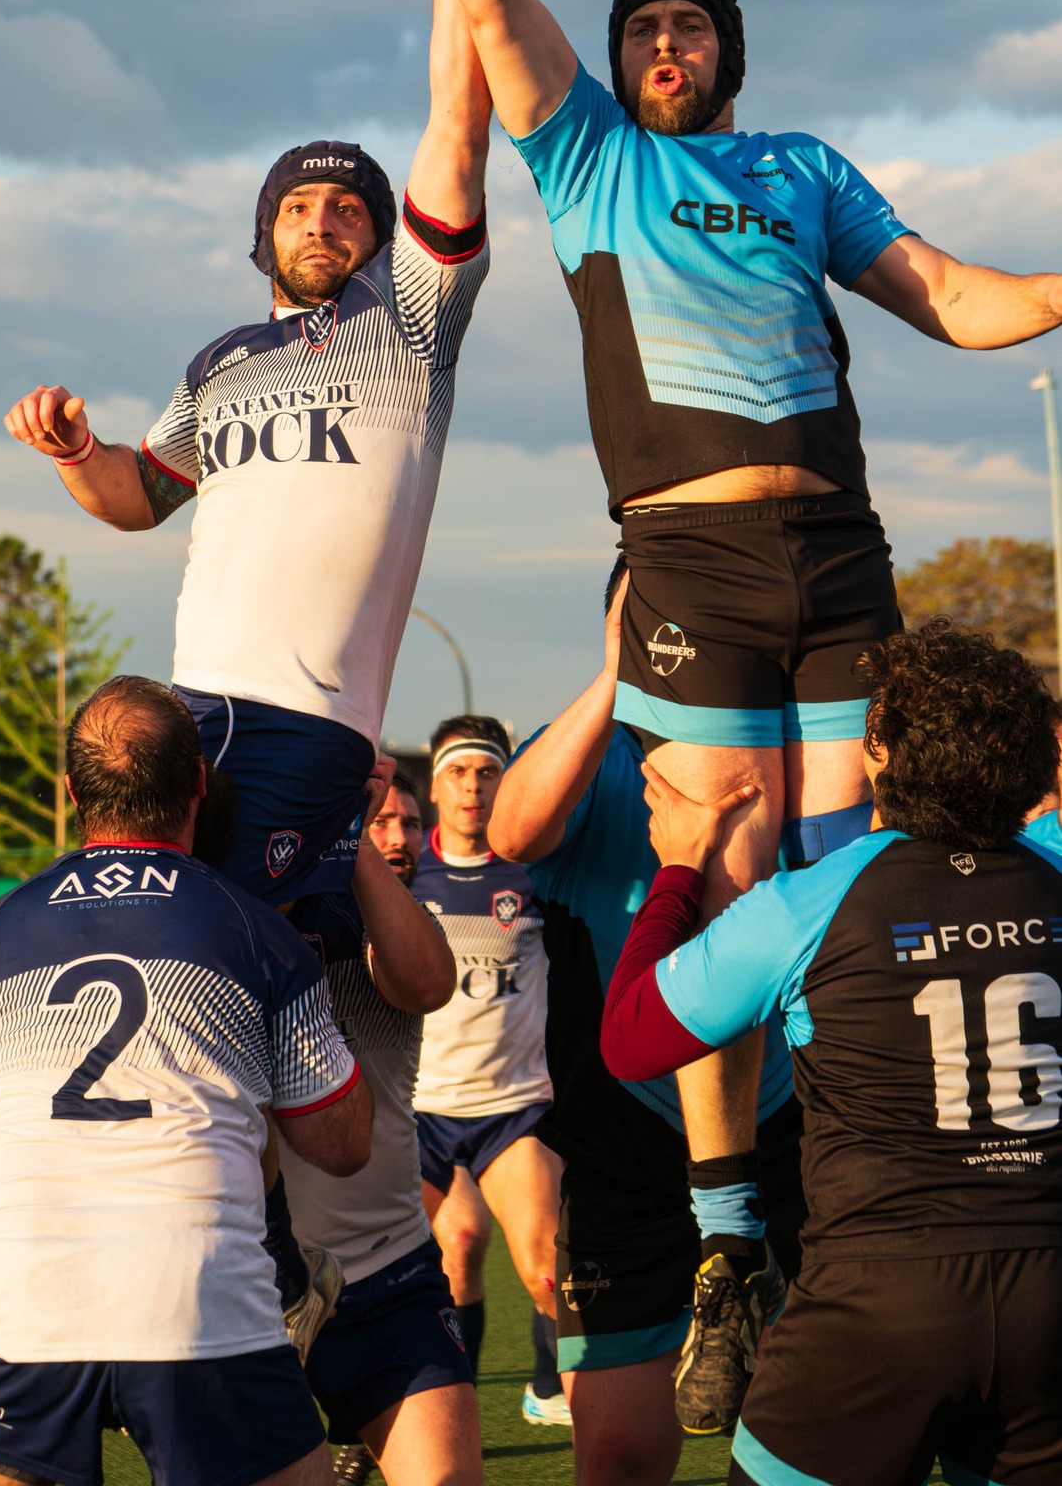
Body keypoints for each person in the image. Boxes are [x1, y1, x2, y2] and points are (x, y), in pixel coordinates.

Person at [410, 0, 1062, 1418]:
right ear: (620, 61)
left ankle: (853, 1193)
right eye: (642, 27)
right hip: (689, 546)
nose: (664, 41)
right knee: (716, 862)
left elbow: (950, 294)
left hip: (838, 545)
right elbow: (492, 12)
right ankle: (720, 1238)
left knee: (857, 866)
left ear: (729, 51)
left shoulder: (802, 173)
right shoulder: (589, 159)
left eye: (688, 21)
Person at [1, 0, 529, 909]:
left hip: (310, 721)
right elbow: (138, 498)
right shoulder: (219, 362)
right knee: (140, 933)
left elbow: (456, 119)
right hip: (185, 713)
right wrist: (73, 451)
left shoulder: (413, 321)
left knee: (226, 951)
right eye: (298, 206)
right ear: (264, 235)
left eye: (347, 209)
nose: (322, 220)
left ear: (385, 239)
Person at [600, 620, 1062, 1486]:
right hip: (1049, 1293)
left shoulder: (811, 899)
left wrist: (677, 870)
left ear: (878, 751)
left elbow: (630, 1039)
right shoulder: (1053, 871)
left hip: (879, 1301)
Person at [0, 676, 373, 1486]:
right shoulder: (256, 932)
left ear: (69, 792)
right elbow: (342, 1145)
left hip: (24, 1308)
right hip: (202, 1311)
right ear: (198, 784)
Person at [489, 574, 803, 1474]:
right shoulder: (595, 749)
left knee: (798, 1444)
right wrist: (610, 675)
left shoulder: (779, 746)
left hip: (775, 1127)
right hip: (625, 1140)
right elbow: (513, 833)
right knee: (620, 1455)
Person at [276, 768, 479, 1486]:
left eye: (405, 821)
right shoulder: (224, 909)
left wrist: (348, 831)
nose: (395, 836)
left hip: (383, 1268)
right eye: (376, 817)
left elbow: (425, 983)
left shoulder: (386, 918)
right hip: (248, 1280)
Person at [410, 716, 565, 1428]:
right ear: (435, 787)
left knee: (545, 1264)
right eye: (457, 773)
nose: (473, 788)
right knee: (461, 1245)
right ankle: (458, 1407)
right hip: (421, 1110)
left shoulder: (534, 873)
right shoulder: (405, 875)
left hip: (514, 1105)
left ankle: (547, 1386)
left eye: (487, 772)